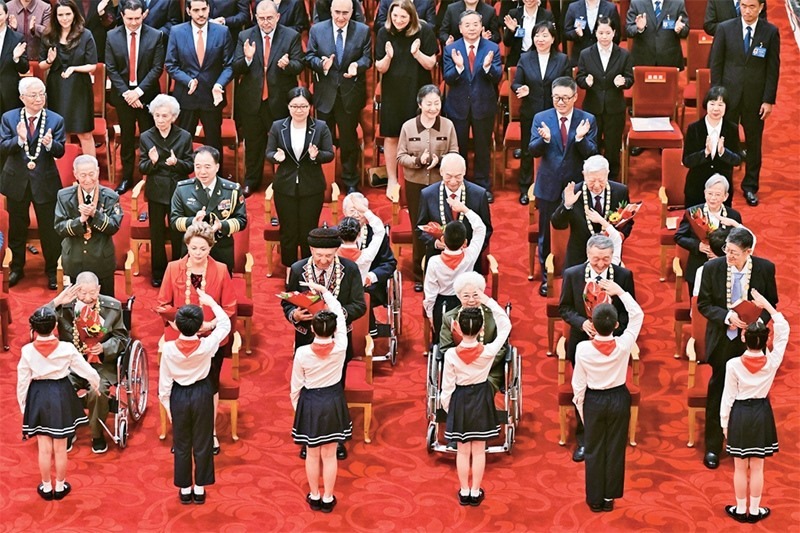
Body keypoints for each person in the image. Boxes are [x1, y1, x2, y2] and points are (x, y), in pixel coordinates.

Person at [282, 226, 366, 460]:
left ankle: (335, 438)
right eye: (319, 255)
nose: (323, 260)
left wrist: (334, 315)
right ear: (311, 250)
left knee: (335, 388)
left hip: (338, 340)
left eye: (329, 255)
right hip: (307, 339)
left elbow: (359, 305)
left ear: (337, 251)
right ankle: (308, 437)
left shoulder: (349, 269)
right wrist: (294, 314)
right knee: (306, 390)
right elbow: (287, 302)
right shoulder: (298, 269)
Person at [697, 226, 778, 469]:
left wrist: (755, 324)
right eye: (727, 249)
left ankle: (746, 443)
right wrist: (727, 317)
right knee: (719, 391)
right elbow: (704, 304)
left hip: (750, 341)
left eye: (734, 252)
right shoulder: (712, 268)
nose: (728, 255)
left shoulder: (765, 268)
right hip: (723, 338)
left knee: (751, 394)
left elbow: (771, 303)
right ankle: (713, 446)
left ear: (748, 251)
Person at [157, 222, 238, 457]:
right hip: (179, 338)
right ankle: (180, 433)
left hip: (210, 340)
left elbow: (230, 307)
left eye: (203, 248)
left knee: (209, 387)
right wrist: (180, 324)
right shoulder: (173, 268)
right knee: (177, 389)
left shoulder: (221, 270)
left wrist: (210, 325)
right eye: (194, 248)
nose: (198, 253)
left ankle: (210, 432)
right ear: (187, 246)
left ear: (210, 248)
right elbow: (162, 304)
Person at [559, 234, 635, 463]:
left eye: (606, 259)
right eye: (596, 259)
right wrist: (582, 323)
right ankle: (584, 439)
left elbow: (629, 313)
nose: (601, 264)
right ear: (587, 255)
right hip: (582, 343)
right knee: (582, 391)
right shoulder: (573, 275)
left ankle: (611, 436)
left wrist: (611, 330)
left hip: (612, 345)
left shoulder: (623, 276)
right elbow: (565, 308)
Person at [572, 279, 643, 513]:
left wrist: (582, 410)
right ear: (616, 325)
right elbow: (637, 315)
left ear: (592, 323)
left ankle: (595, 499)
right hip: (618, 398)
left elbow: (578, 385)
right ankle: (609, 496)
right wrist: (620, 292)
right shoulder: (623, 344)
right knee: (615, 447)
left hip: (593, 400)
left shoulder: (582, 349)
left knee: (593, 448)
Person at [17, 306, 100, 501]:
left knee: (44, 447)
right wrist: (95, 383)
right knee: (61, 447)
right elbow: (84, 369)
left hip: (38, 394)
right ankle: (61, 486)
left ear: (34, 328)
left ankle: (46, 487)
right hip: (61, 393)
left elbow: (22, 381)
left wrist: (24, 406)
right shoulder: (66, 348)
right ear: (55, 325)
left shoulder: (27, 351)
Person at [158, 288, 232, 504]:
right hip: (202, 393)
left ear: (176, 325)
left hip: (178, 395)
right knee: (203, 441)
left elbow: (164, 383)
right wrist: (211, 302)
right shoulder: (207, 345)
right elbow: (225, 324)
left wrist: (168, 408)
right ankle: (199, 489)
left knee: (181, 444)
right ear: (200, 326)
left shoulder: (169, 349)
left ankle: (184, 488)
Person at [721, 289, 787, 524]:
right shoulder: (772, 362)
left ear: (743, 338)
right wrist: (767, 305)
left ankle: (740, 509)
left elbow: (728, 397)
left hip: (739, 413)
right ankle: (756, 509)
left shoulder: (733, 365)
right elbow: (784, 330)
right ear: (766, 340)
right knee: (758, 467)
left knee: (740, 467)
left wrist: (724, 424)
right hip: (761, 413)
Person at [529, 76, 598, 296]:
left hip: (576, 187)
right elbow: (532, 150)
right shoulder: (541, 118)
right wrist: (545, 140)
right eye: (556, 98)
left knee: (579, 232)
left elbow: (593, 154)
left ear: (575, 97)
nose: (561, 102)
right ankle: (546, 276)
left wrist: (580, 138)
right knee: (546, 234)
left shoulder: (587, 119)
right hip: (549, 186)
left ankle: (579, 276)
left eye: (565, 98)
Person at [440, 292, 510, 506]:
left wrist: (450, 408)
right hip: (482, 397)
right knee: (479, 450)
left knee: (462, 450)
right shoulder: (488, 351)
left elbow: (447, 387)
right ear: (481, 330)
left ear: (457, 328)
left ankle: (464, 491)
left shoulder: (450, 355)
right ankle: (475, 491)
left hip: (460, 399)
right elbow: (505, 325)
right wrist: (488, 301)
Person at [709, 0, 780, 207]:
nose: (747, 11)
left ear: (761, 7)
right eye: (743, 6)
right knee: (725, 141)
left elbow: (773, 69)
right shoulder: (725, 28)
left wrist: (768, 100)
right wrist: (717, 98)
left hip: (755, 99)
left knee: (753, 143)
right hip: (728, 98)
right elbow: (716, 64)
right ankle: (723, 185)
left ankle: (750, 186)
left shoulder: (770, 32)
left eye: (752, 7)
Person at [48, 272, 128, 454]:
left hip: (101, 366)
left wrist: (104, 348)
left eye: (92, 293)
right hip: (72, 365)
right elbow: (39, 319)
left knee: (97, 392)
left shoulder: (112, 307)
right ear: (76, 290)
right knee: (60, 388)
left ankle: (97, 433)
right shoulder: (65, 306)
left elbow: (122, 338)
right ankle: (68, 429)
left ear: (99, 289)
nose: (87, 298)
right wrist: (57, 302)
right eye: (82, 293)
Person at [290, 281, 352, 513]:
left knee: (312, 453)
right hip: (333, 399)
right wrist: (325, 292)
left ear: (313, 330)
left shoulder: (302, 352)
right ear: (334, 330)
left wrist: (299, 408)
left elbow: (296, 386)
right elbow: (341, 317)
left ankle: (314, 494)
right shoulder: (341, 346)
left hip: (310, 402)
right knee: (330, 454)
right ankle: (328, 497)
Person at [0, 77, 66, 290]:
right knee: (17, 228)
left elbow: (60, 151)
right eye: (33, 95)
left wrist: (50, 144)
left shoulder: (55, 119)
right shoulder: (9, 118)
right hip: (16, 181)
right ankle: (16, 268)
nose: (39, 99)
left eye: (42, 94)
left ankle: (52, 270)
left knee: (50, 230)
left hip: (45, 182)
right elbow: (3, 147)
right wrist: (19, 140)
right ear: (22, 97)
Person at [234, 0, 304, 198]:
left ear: (278, 17)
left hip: (279, 99)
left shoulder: (291, 36)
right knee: (253, 143)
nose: (265, 22)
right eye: (262, 18)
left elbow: (300, 64)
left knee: (282, 143)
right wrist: (248, 59)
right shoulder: (245, 36)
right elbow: (236, 66)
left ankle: (283, 182)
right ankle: (251, 181)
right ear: (256, 18)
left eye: (269, 18)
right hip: (252, 100)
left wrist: (288, 65)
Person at [305, 0, 372, 195]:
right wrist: (321, 64)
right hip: (325, 94)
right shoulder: (317, 30)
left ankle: (350, 180)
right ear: (330, 10)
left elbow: (367, 58)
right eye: (337, 12)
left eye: (345, 13)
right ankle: (322, 181)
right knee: (322, 139)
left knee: (349, 140)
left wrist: (357, 66)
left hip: (349, 94)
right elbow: (309, 57)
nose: (341, 17)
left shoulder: (362, 31)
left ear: (352, 12)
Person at [397, 85, 459, 287]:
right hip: (416, 185)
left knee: (441, 227)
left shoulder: (448, 125)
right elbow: (400, 156)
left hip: (440, 184)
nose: (433, 108)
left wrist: (440, 160)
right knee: (419, 228)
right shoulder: (408, 127)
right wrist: (418, 160)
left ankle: (440, 273)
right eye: (429, 104)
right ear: (420, 104)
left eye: (437, 103)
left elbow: (455, 153)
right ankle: (419, 274)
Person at [265, 87, 335, 267]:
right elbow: (269, 152)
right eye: (294, 106)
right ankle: (289, 268)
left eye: (303, 106)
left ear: (310, 107)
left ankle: (307, 268)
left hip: (312, 186)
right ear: (288, 107)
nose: (299, 110)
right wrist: (276, 157)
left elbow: (329, 154)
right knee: (288, 230)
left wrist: (315, 156)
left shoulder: (320, 127)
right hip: (285, 186)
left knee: (308, 230)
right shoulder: (278, 126)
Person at [375, 0, 437, 193]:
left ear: (411, 16)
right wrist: (388, 57)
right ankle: (392, 180)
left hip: (418, 89)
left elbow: (431, 64)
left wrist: (417, 53)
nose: (398, 20)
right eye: (395, 16)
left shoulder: (424, 31)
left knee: (420, 134)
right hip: (393, 91)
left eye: (403, 16)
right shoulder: (384, 33)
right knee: (392, 135)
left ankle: (419, 178)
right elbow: (380, 67)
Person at [105, 0, 167, 196]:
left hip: (147, 95)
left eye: (137, 18)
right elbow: (111, 69)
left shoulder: (155, 35)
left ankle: (150, 178)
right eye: (129, 18)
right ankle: (126, 177)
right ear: (122, 16)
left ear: (144, 15)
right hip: (123, 96)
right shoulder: (112, 36)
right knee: (127, 137)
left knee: (149, 137)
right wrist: (128, 94)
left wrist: (138, 92)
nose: (133, 23)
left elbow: (157, 69)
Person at [165, 0, 235, 170]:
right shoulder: (177, 32)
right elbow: (171, 65)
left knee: (213, 143)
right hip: (186, 96)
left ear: (209, 8)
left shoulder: (222, 31)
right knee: (183, 144)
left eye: (204, 9)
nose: (201, 14)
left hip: (212, 97)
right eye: (196, 10)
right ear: (188, 11)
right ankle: (181, 178)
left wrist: (219, 84)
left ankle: (217, 179)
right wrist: (187, 80)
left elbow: (230, 65)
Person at [442, 9, 502, 199]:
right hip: (457, 106)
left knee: (482, 148)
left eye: (475, 24)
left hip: (483, 105)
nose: (472, 28)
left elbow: (497, 77)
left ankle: (482, 187)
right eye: (467, 25)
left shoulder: (492, 48)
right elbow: (448, 78)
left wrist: (487, 67)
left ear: (482, 27)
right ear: (460, 28)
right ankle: (460, 185)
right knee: (458, 148)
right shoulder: (451, 49)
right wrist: (459, 67)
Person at [139, 94, 195, 288]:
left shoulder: (184, 136)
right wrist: (153, 162)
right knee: (157, 234)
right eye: (157, 115)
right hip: (156, 190)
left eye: (164, 116)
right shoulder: (146, 137)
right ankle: (158, 272)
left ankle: (178, 270)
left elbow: (190, 166)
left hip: (178, 191)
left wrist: (176, 163)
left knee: (178, 232)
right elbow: (142, 167)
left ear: (173, 117)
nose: (160, 120)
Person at [511, 20, 570, 205]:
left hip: (555, 113)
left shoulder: (562, 59)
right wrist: (521, 89)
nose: (540, 39)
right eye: (537, 35)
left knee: (555, 150)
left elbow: (568, 84)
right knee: (529, 150)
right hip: (531, 112)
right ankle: (525, 187)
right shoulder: (525, 58)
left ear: (553, 39)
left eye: (545, 35)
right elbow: (516, 82)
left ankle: (554, 188)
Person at [416, 153, 493, 291]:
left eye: (458, 176)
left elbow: (486, 229)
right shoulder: (428, 194)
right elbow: (420, 229)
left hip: (468, 263)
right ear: (441, 172)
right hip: (439, 260)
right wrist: (436, 243)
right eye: (448, 176)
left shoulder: (478, 194)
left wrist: (469, 251)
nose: (453, 181)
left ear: (464, 172)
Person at [54, 155, 123, 297]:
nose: (88, 179)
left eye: (91, 174)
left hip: (101, 259)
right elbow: (59, 227)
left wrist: (95, 215)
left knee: (104, 303)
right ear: (75, 174)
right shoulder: (64, 196)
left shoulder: (110, 196)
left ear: (98, 172)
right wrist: (80, 220)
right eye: (83, 175)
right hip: (74, 258)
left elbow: (114, 226)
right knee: (74, 304)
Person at [170, 145, 247, 273]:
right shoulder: (182, 189)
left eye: (207, 167)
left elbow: (241, 220)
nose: (202, 172)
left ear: (217, 167)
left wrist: (221, 225)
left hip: (221, 250)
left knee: (220, 285)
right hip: (193, 252)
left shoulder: (232, 190)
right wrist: (192, 222)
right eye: (198, 167)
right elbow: (174, 221)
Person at [575, 16, 632, 182]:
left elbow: (630, 78)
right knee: (592, 145)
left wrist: (624, 82)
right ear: (595, 33)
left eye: (608, 33)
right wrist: (585, 82)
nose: (604, 36)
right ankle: (592, 178)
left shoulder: (623, 54)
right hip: (592, 107)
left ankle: (612, 180)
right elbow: (579, 77)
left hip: (615, 108)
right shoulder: (586, 54)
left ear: (614, 33)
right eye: (601, 33)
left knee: (613, 147)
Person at [423, 196, 486, 344]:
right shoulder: (470, 255)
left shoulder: (434, 262)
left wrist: (430, 314)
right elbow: (480, 229)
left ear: (443, 240)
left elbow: (430, 292)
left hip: (441, 305)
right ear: (465, 242)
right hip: (465, 302)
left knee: (442, 341)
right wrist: (464, 209)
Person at [551, 155, 633, 269]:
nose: (597, 186)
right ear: (584, 175)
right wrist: (567, 205)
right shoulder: (574, 192)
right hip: (579, 258)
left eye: (601, 180)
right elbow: (557, 224)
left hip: (608, 257)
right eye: (592, 181)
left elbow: (627, 222)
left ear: (607, 174)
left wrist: (619, 236)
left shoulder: (620, 191)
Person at [39, 0, 97, 158]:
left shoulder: (85, 35)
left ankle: (90, 169)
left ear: (74, 14)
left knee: (84, 133)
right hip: (57, 87)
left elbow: (92, 65)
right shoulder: (49, 35)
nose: (64, 18)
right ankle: (64, 170)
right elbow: (42, 65)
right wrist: (49, 60)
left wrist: (74, 68)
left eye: (67, 14)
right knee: (61, 133)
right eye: (60, 15)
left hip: (79, 87)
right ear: (55, 16)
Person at [674, 174, 742, 298]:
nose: (713, 198)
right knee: (697, 303)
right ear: (705, 193)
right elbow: (679, 237)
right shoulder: (693, 212)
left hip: (725, 267)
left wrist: (721, 253)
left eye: (717, 195)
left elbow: (739, 242)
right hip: (698, 265)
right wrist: (698, 245)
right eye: (710, 193)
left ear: (725, 196)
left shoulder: (733, 216)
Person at [439, 271, 507, 394]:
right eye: (466, 296)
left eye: (475, 295)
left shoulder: (493, 316)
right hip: (459, 371)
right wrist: (464, 367)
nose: (471, 300)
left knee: (483, 391)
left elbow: (501, 348)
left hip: (488, 371)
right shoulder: (450, 318)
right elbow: (445, 348)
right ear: (458, 296)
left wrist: (481, 364)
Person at [340, 192, 396, 334]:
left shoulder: (375, 235)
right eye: (352, 210)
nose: (356, 214)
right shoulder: (335, 235)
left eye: (360, 210)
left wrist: (371, 277)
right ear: (344, 212)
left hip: (372, 286)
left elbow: (389, 263)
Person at [681, 86, 742, 208]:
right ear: (706, 105)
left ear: (726, 107)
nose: (716, 108)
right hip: (697, 188)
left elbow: (737, 160)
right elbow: (687, 161)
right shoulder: (694, 128)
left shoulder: (731, 128)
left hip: (721, 191)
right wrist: (705, 153)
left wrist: (723, 152)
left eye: (720, 105)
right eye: (712, 104)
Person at [625, 0, 689, 69]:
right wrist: (638, 28)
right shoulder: (637, 3)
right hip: (643, 59)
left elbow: (685, 31)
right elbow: (628, 30)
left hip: (670, 59)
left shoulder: (678, 3)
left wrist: (680, 29)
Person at [563, 0, 619, 66]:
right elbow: (566, 32)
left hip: (605, 57)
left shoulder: (610, 8)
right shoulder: (573, 7)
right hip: (580, 57)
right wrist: (576, 33)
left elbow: (617, 35)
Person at [502, 0, 554, 68]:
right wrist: (511, 31)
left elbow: (552, 39)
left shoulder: (547, 15)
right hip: (518, 59)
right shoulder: (514, 13)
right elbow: (507, 43)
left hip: (540, 57)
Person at [0, 1, 29, 118]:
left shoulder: (17, 38)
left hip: (9, 93)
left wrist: (16, 58)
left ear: (6, 14)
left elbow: (24, 68)